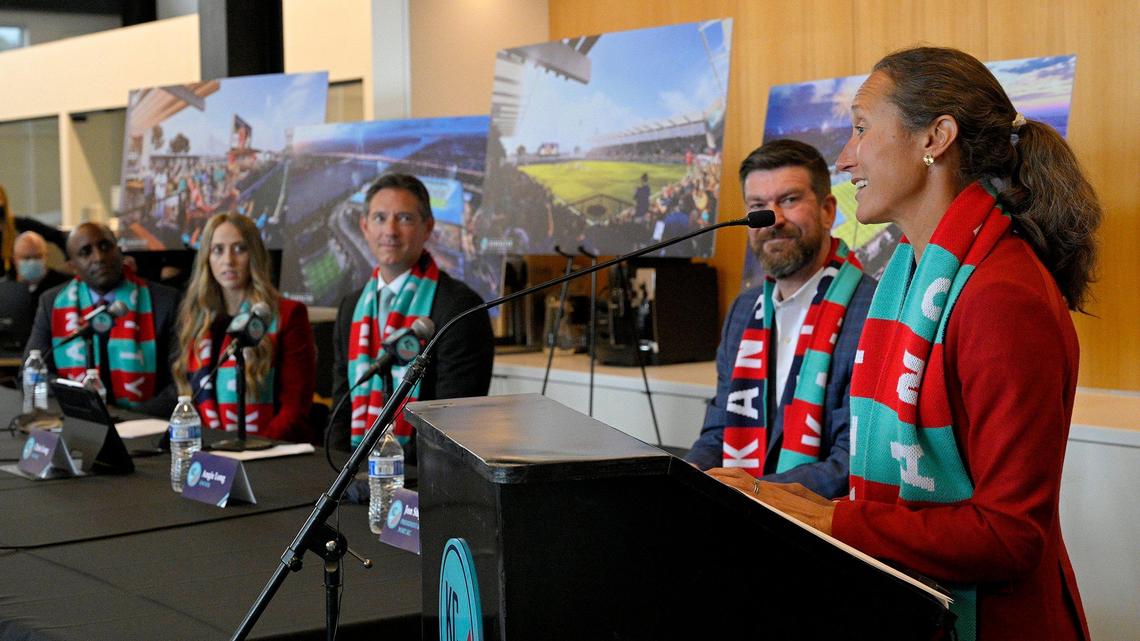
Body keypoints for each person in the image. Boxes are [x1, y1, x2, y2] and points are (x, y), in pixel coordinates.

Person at [725, 47, 1100, 640]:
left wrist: (825, 517)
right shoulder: (908, 277)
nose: (845, 158)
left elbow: (1010, 536)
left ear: (935, 138)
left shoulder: (1002, 295)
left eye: (860, 128)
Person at [689, 140, 876, 498]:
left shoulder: (873, 310)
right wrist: (690, 476)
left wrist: (753, 493)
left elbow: (852, 461)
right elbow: (717, 433)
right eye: (757, 206)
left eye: (789, 200)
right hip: (738, 512)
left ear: (828, 211)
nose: (772, 219)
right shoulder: (742, 311)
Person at [330, 173, 494, 456]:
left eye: (404, 218)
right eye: (380, 218)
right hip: (353, 472)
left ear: (428, 227)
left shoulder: (461, 308)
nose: (390, 231)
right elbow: (341, 411)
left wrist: (390, 472)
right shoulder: (350, 307)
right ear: (364, 227)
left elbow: (452, 432)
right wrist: (336, 473)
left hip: (422, 475)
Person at [173, 213, 315, 443]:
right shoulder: (198, 318)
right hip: (211, 450)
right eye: (218, 250)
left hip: (271, 450)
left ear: (254, 255)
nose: (228, 260)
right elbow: (192, 398)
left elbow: (294, 410)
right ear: (206, 258)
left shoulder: (288, 314)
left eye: (239, 249)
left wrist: (250, 449)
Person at [25, 222, 181, 416]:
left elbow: (181, 382)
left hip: (145, 421)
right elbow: (32, 372)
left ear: (120, 251)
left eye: (105, 246)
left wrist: (127, 419)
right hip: (81, 420)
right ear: (72, 266)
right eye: (85, 252)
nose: (99, 257)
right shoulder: (52, 303)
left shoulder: (165, 300)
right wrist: (85, 407)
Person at [12, 231, 71, 296]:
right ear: (15, 259)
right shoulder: (6, 289)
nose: (32, 262)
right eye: (26, 258)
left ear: (46, 256)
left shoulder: (63, 286)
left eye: (38, 257)